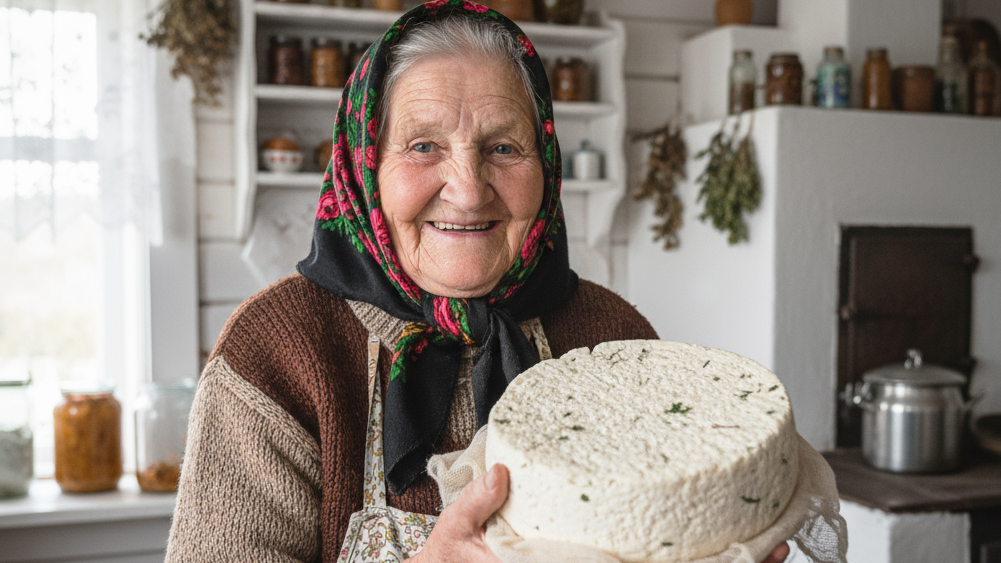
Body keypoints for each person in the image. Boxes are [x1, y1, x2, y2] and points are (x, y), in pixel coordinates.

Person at [166, 3, 790, 562]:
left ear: (545, 165)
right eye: (422, 146)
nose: (467, 190)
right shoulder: (277, 355)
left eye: (503, 149)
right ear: (364, 167)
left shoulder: (613, 336)